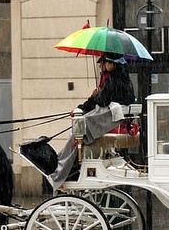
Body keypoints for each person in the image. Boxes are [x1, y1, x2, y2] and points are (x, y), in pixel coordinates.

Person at [48, 52, 136, 190]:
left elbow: (101, 101)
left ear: (112, 65)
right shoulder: (125, 80)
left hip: (106, 121)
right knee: (76, 131)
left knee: (75, 134)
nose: (102, 66)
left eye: (105, 63)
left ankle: (62, 167)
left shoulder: (111, 80)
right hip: (112, 120)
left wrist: (96, 94)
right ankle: (65, 164)